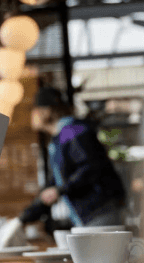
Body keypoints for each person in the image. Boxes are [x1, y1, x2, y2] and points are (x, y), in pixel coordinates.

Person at [20, 87, 126, 228]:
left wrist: (60, 190)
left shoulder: (72, 132)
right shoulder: (59, 139)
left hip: (99, 210)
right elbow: (55, 182)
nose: (32, 115)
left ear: (46, 111)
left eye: (34, 110)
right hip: (90, 213)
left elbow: (91, 167)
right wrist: (25, 216)